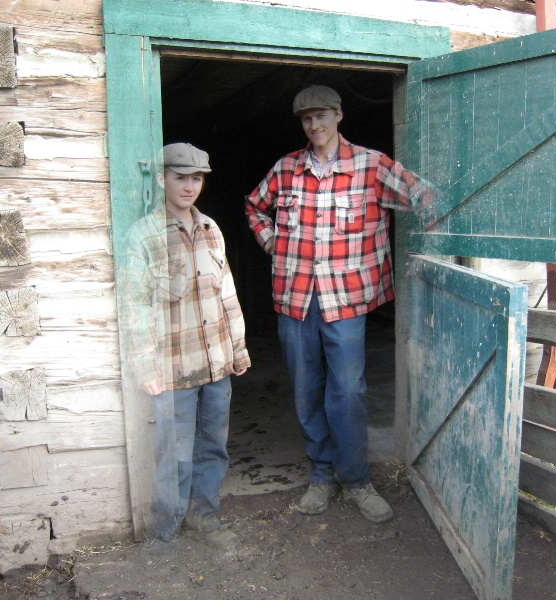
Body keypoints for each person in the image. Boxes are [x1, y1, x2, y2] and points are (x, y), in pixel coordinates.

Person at [245, 85, 431, 524]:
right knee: (306, 387)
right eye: (307, 119)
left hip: (346, 298)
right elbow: (255, 206)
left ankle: (357, 479)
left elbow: (426, 198)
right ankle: (321, 473)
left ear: (339, 115)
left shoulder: (371, 165)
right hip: (294, 297)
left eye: (322, 116)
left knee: (348, 391)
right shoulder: (286, 168)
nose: (315, 125)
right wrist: (270, 240)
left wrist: (436, 254)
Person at [123, 142, 250, 546]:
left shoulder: (212, 230)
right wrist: (145, 366)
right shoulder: (144, 235)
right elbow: (135, 306)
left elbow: (227, 292)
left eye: (196, 178)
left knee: (213, 447)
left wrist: (238, 348)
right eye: (181, 177)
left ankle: (204, 517)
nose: (189, 185)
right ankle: (165, 533)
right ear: (162, 179)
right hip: (173, 370)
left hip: (215, 364)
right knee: (173, 456)